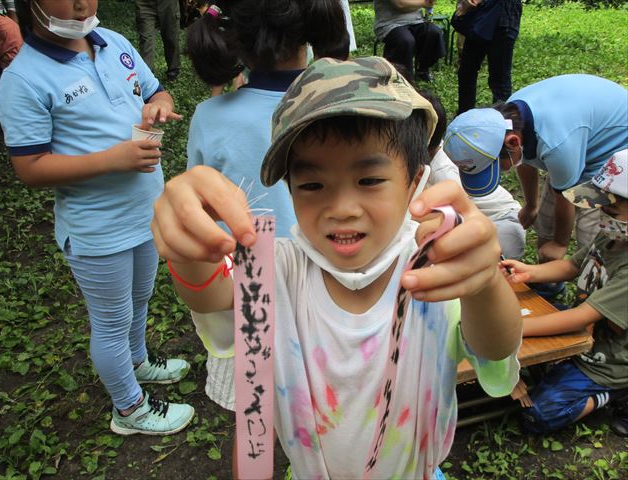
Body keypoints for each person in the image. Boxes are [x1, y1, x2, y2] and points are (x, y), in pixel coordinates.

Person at [152, 56, 522, 479]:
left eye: (369, 180)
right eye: (312, 185)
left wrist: (484, 282)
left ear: (415, 182)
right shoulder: (276, 267)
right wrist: (185, 248)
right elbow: (208, 293)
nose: (342, 209)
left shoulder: (435, 266)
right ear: (289, 190)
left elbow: (495, 349)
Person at [0, 0, 194, 436]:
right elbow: (29, 168)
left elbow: (158, 89)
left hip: (145, 212)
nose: (82, 2)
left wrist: (157, 106)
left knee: (140, 299)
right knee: (110, 320)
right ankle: (129, 410)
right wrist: (113, 159)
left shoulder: (114, 43)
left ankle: (138, 361)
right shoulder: (23, 79)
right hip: (96, 227)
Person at [184, 0, 347, 412]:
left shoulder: (209, 116)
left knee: (254, 419)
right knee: (327, 408)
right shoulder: (341, 107)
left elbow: (198, 209)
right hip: (329, 284)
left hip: (245, 292)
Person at [500, 151, 628, 437]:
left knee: (539, 413)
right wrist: (528, 272)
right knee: (534, 311)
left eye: (610, 209)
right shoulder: (612, 235)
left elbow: (581, 317)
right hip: (586, 334)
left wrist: (511, 329)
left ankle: (617, 394)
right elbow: (572, 264)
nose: (601, 214)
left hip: (607, 363)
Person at [444, 78, 628, 264]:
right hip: (578, 137)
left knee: (590, 233)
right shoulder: (510, 121)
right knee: (545, 219)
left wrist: (559, 243)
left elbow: (565, 196)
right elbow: (525, 160)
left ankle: (595, 283)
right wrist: (532, 205)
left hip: (613, 149)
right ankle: (549, 282)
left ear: (513, 142)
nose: (500, 170)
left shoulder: (556, 146)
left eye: (496, 165)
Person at [421, 91, 525, 259]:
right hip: (478, 221)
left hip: (504, 223)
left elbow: (460, 220)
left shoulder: (444, 173)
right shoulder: (446, 149)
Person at [455, 0, 522, 114]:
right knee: (467, 71)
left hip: (505, 17)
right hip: (480, 15)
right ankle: (464, 116)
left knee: (500, 79)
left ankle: (501, 123)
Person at [373, 0, 446, 82]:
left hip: (416, 21)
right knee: (405, 40)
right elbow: (400, 4)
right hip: (390, 23)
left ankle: (422, 70)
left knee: (434, 33)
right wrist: (424, 3)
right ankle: (402, 76)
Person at [134, 0, 180, 81]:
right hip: (144, 4)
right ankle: (147, 77)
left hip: (168, 3)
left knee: (171, 37)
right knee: (146, 40)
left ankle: (173, 71)